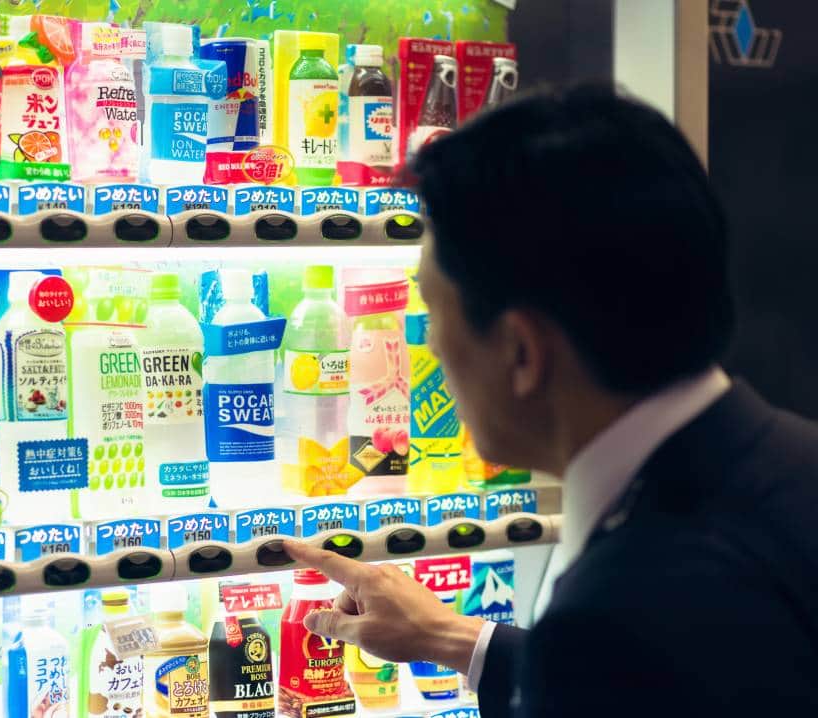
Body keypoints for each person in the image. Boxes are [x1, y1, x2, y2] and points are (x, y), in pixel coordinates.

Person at [284, 84, 818, 717]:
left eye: (432, 311)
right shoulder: (793, 464)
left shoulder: (618, 611)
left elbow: (619, 662)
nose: (429, 346)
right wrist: (456, 639)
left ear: (521, 353)